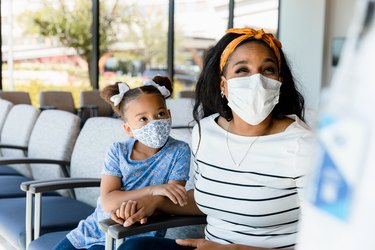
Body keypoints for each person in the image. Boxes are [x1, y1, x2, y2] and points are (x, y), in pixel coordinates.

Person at [113, 27, 315, 250]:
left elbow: (333, 238)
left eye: (267, 69)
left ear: (279, 82)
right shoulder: (205, 131)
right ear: (223, 85)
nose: (256, 80)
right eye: (242, 70)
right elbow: (208, 198)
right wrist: (155, 203)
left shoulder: (303, 146)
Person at [52, 75, 191, 250]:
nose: (154, 122)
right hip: (96, 227)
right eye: (143, 119)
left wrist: (127, 203)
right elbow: (109, 202)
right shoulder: (118, 151)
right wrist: (153, 189)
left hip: (136, 232)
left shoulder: (179, 151)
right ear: (128, 129)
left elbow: (170, 199)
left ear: (169, 115)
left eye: (160, 114)